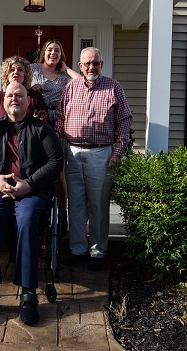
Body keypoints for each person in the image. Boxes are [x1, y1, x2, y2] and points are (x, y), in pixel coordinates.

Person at [0, 81, 63, 325]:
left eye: (20, 95)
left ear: (28, 101)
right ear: (3, 99)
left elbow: (55, 161)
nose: (14, 99)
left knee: (28, 218)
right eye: (10, 95)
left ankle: (29, 293)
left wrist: (28, 184)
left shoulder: (41, 129)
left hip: (31, 190)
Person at [55, 47, 132, 271]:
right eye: (87, 64)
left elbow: (125, 120)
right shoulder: (70, 87)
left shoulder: (113, 87)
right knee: (76, 204)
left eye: (95, 63)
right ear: (80, 66)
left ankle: (98, 252)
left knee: (98, 204)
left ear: (101, 64)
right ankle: (78, 249)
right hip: (73, 152)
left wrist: (118, 152)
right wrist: (58, 150)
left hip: (101, 153)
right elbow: (60, 119)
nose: (91, 67)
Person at [30, 39, 81, 233]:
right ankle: (39, 210)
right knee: (36, 165)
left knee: (59, 170)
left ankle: (63, 213)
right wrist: (31, 88)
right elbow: (17, 83)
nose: (53, 53)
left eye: (57, 51)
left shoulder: (64, 75)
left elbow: (82, 82)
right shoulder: (33, 69)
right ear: (44, 52)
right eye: (50, 50)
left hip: (58, 122)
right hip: (37, 120)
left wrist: (66, 68)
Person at [0, 56, 48, 123]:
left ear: (25, 75)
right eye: (12, 70)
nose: (16, 72)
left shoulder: (36, 98)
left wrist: (39, 123)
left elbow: (47, 127)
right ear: (6, 74)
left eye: (20, 70)